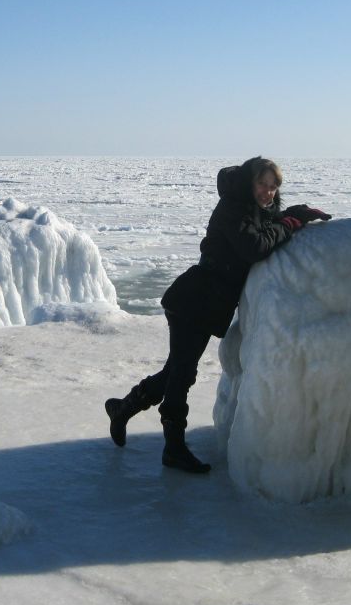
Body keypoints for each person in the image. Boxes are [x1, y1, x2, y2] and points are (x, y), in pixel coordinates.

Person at [104, 156, 331, 473]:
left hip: (206, 303)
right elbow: (254, 247)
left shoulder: (254, 210)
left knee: (175, 372)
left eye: (273, 187)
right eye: (262, 184)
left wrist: (295, 215)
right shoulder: (232, 208)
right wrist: (289, 223)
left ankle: (122, 409)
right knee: (182, 374)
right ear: (249, 183)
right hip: (193, 300)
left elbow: (265, 229)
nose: (267, 192)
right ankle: (174, 448)